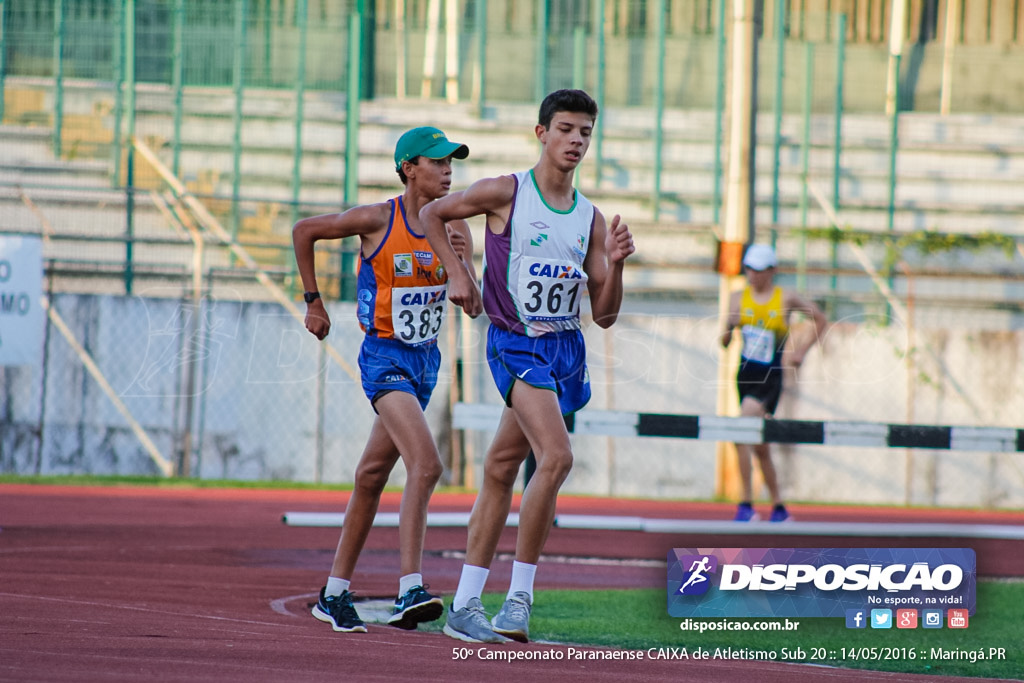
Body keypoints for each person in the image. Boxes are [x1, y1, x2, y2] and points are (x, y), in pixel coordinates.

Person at [420, 89, 635, 644]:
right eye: (565, 129)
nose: (576, 141)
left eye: (585, 132)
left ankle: (465, 605)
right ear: (542, 133)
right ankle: (518, 600)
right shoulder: (507, 192)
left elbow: (606, 316)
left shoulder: (589, 219)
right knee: (557, 456)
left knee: (498, 469)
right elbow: (431, 212)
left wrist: (615, 265)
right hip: (516, 342)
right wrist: (459, 274)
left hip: (565, 351)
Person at [292, 126, 475, 633]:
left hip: (424, 364)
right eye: (437, 162)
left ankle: (333, 594)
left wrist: (464, 262)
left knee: (372, 477)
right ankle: (409, 587)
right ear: (408, 168)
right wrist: (314, 302)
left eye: (451, 162)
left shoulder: (455, 225)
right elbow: (304, 230)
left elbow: (473, 304)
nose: (448, 170)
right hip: (384, 358)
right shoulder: (377, 219)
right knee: (427, 462)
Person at [720, 243, 827, 523]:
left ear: (772, 271)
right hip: (744, 377)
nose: (752, 275)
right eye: (749, 269)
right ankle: (779, 508)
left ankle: (745, 505)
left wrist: (802, 350)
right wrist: (729, 331)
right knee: (759, 445)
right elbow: (724, 339)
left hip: (770, 380)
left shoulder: (785, 298)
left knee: (741, 431)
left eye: (758, 270)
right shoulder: (736, 298)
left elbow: (820, 318)